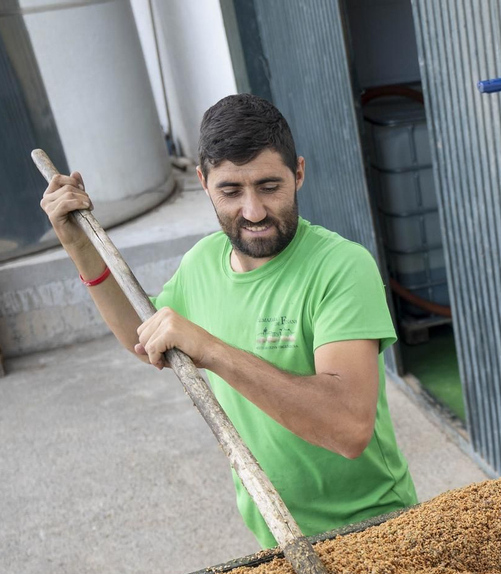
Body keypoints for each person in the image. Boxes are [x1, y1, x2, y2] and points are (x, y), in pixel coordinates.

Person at [39, 93, 417, 547]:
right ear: (203, 182)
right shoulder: (201, 263)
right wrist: (78, 245)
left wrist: (211, 349)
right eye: (231, 191)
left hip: (376, 531)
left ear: (298, 172)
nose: (253, 211)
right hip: (277, 537)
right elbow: (145, 337)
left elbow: (349, 428)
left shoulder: (341, 268)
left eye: (270, 186)